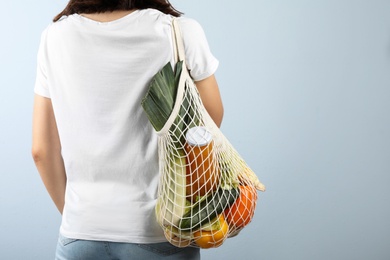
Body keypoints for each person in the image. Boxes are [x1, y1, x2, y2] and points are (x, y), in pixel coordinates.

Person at [31, 0, 223, 259]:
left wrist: (81, 218)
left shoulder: (53, 37)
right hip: (159, 231)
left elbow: (41, 151)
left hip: (81, 231)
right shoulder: (179, 31)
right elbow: (209, 123)